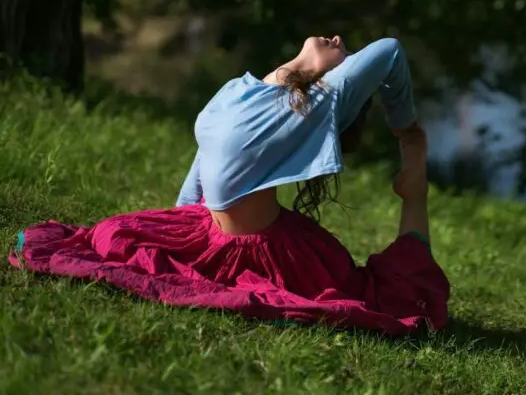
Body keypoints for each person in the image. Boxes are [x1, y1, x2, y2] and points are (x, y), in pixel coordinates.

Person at [9, 36, 450, 336]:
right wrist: (175, 223)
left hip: (274, 255)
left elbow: (389, 51)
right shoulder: (238, 91)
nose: (338, 40)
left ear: (338, 79)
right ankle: (415, 187)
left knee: (389, 294)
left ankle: (416, 187)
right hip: (209, 231)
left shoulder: (314, 105)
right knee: (110, 236)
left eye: (345, 52)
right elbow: (201, 168)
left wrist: (407, 131)